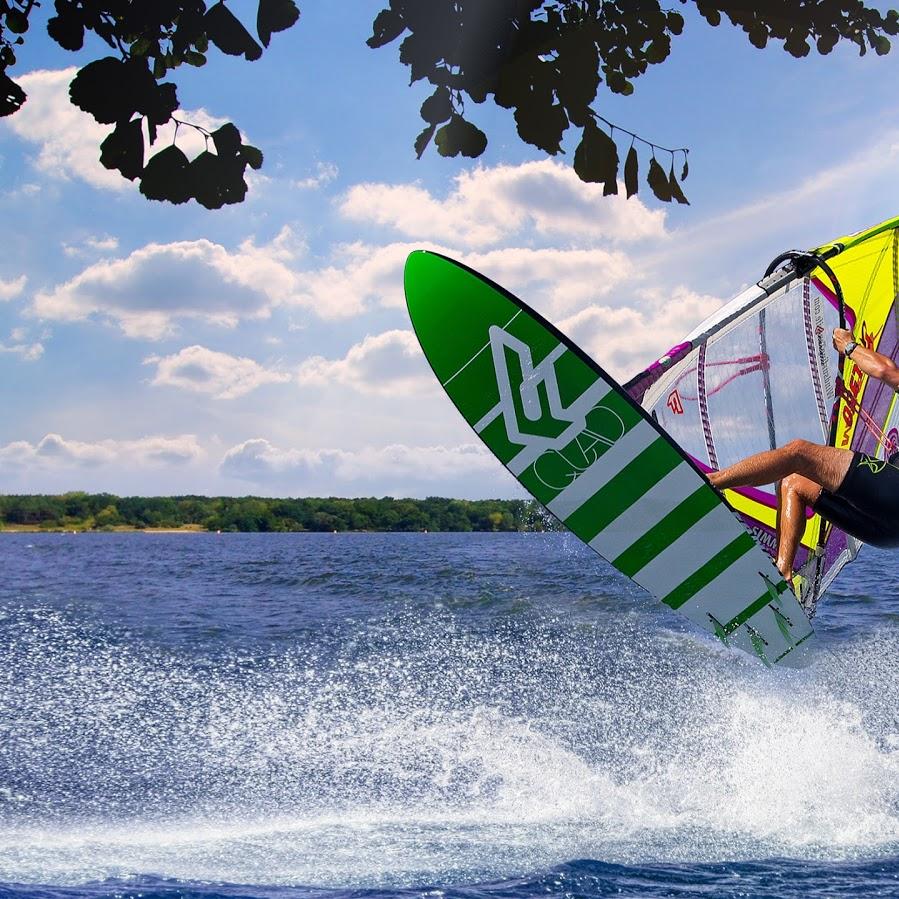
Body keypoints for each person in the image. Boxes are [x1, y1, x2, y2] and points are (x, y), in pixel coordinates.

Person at [708, 328, 899, 588]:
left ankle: (711, 483)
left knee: (799, 453)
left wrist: (849, 346)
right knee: (795, 483)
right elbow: (891, 372)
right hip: (889, 533)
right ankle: (783, 575)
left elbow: (888, 372)